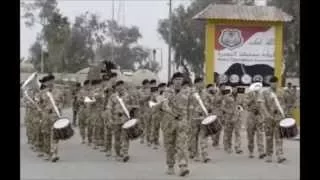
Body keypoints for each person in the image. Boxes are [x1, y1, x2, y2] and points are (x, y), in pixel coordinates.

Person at [162, 73, 191, 176]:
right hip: (170, 123)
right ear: (173, 80)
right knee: (170, 145)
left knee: (182, 144)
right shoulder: (167, 92)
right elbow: (164, 105)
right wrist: (174, 114)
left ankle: (183, 166)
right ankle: (170, 166)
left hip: (182, 123)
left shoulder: (187, 92)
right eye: (176, 79)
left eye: (180, 79)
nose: (178, 81)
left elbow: (190, 107)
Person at [37, 74, 63, 162]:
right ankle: (47, 152)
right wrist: (41, 109)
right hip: (45, 116)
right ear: (46, 83)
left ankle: (54, 153)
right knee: (46, 134)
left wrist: (59, 108)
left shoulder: (59, 92)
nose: (50, 83)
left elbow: (63, 102)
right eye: (48, 82)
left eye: (52, 81)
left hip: (55, 116)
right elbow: (38, 104)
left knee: (54, 134)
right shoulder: (42, 92)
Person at [106, 80, 134, 162]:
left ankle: (125, 153)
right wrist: (110, 118)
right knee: (117, 138)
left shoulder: (128, 96)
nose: (121, 87)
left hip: (125, 120)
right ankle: (118, 153)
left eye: (122, 85)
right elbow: (109, 108)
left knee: (125, 137)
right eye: (119, 86)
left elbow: (133, 106)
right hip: (116, 120)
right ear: (116, 87)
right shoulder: (113, 97)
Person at [260, 76, 286, 163]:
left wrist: (284, 114)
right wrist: (266, 114)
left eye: (276, 82)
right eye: (273, 82)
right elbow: (262, 104)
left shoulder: (281, 92)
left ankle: (280, 155)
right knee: (269, 137)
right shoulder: (265, 92)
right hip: (269, 118)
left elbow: (283, 104)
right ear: (270, 83)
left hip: (279, 118)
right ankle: (269, 155)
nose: (274, 84)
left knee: (279, 137)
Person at [245, 83, 266, 159]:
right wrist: (252, 99)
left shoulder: (262, 94)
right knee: (250, 135)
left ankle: (261, 152)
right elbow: (245, 104)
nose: (257, 88)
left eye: (259, 86)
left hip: (259, 117)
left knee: (260, 135)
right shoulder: (249, 94)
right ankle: (251, 151)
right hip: (251, 116)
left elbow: (264, 105)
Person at [102, 73, 118, 156]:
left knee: (117, 132)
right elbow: (104, 97)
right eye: (114, 78)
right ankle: (108, 149)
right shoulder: (107, 87)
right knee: (108, 130)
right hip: (108, 110)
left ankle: (118, 150)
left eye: (116, 78)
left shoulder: (118, 86)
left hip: (117, 111)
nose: (115, 79)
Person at [138, 79, 151, 144]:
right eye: (147, 84)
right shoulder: (139, 91)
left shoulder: (150, 91)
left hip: (148, 110)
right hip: (141, 110)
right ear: (144, 84)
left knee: (147, 125)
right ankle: (142, 138)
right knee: (141, 125)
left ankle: (148, 140)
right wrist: (147, 97)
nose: (149, 85)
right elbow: (140, 99)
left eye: (149, 84)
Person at [78, 80, 90, 144]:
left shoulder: (91, 92)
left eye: (89, 85)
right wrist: (84, 101)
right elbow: (78, 100)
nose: (88, 86)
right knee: (81, 124)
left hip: (89, 110)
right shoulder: (81, 92)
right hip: (82, 109)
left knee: (89, 124)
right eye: (87, 85)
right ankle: (83, 138)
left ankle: (89, 138)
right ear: (85, 85)